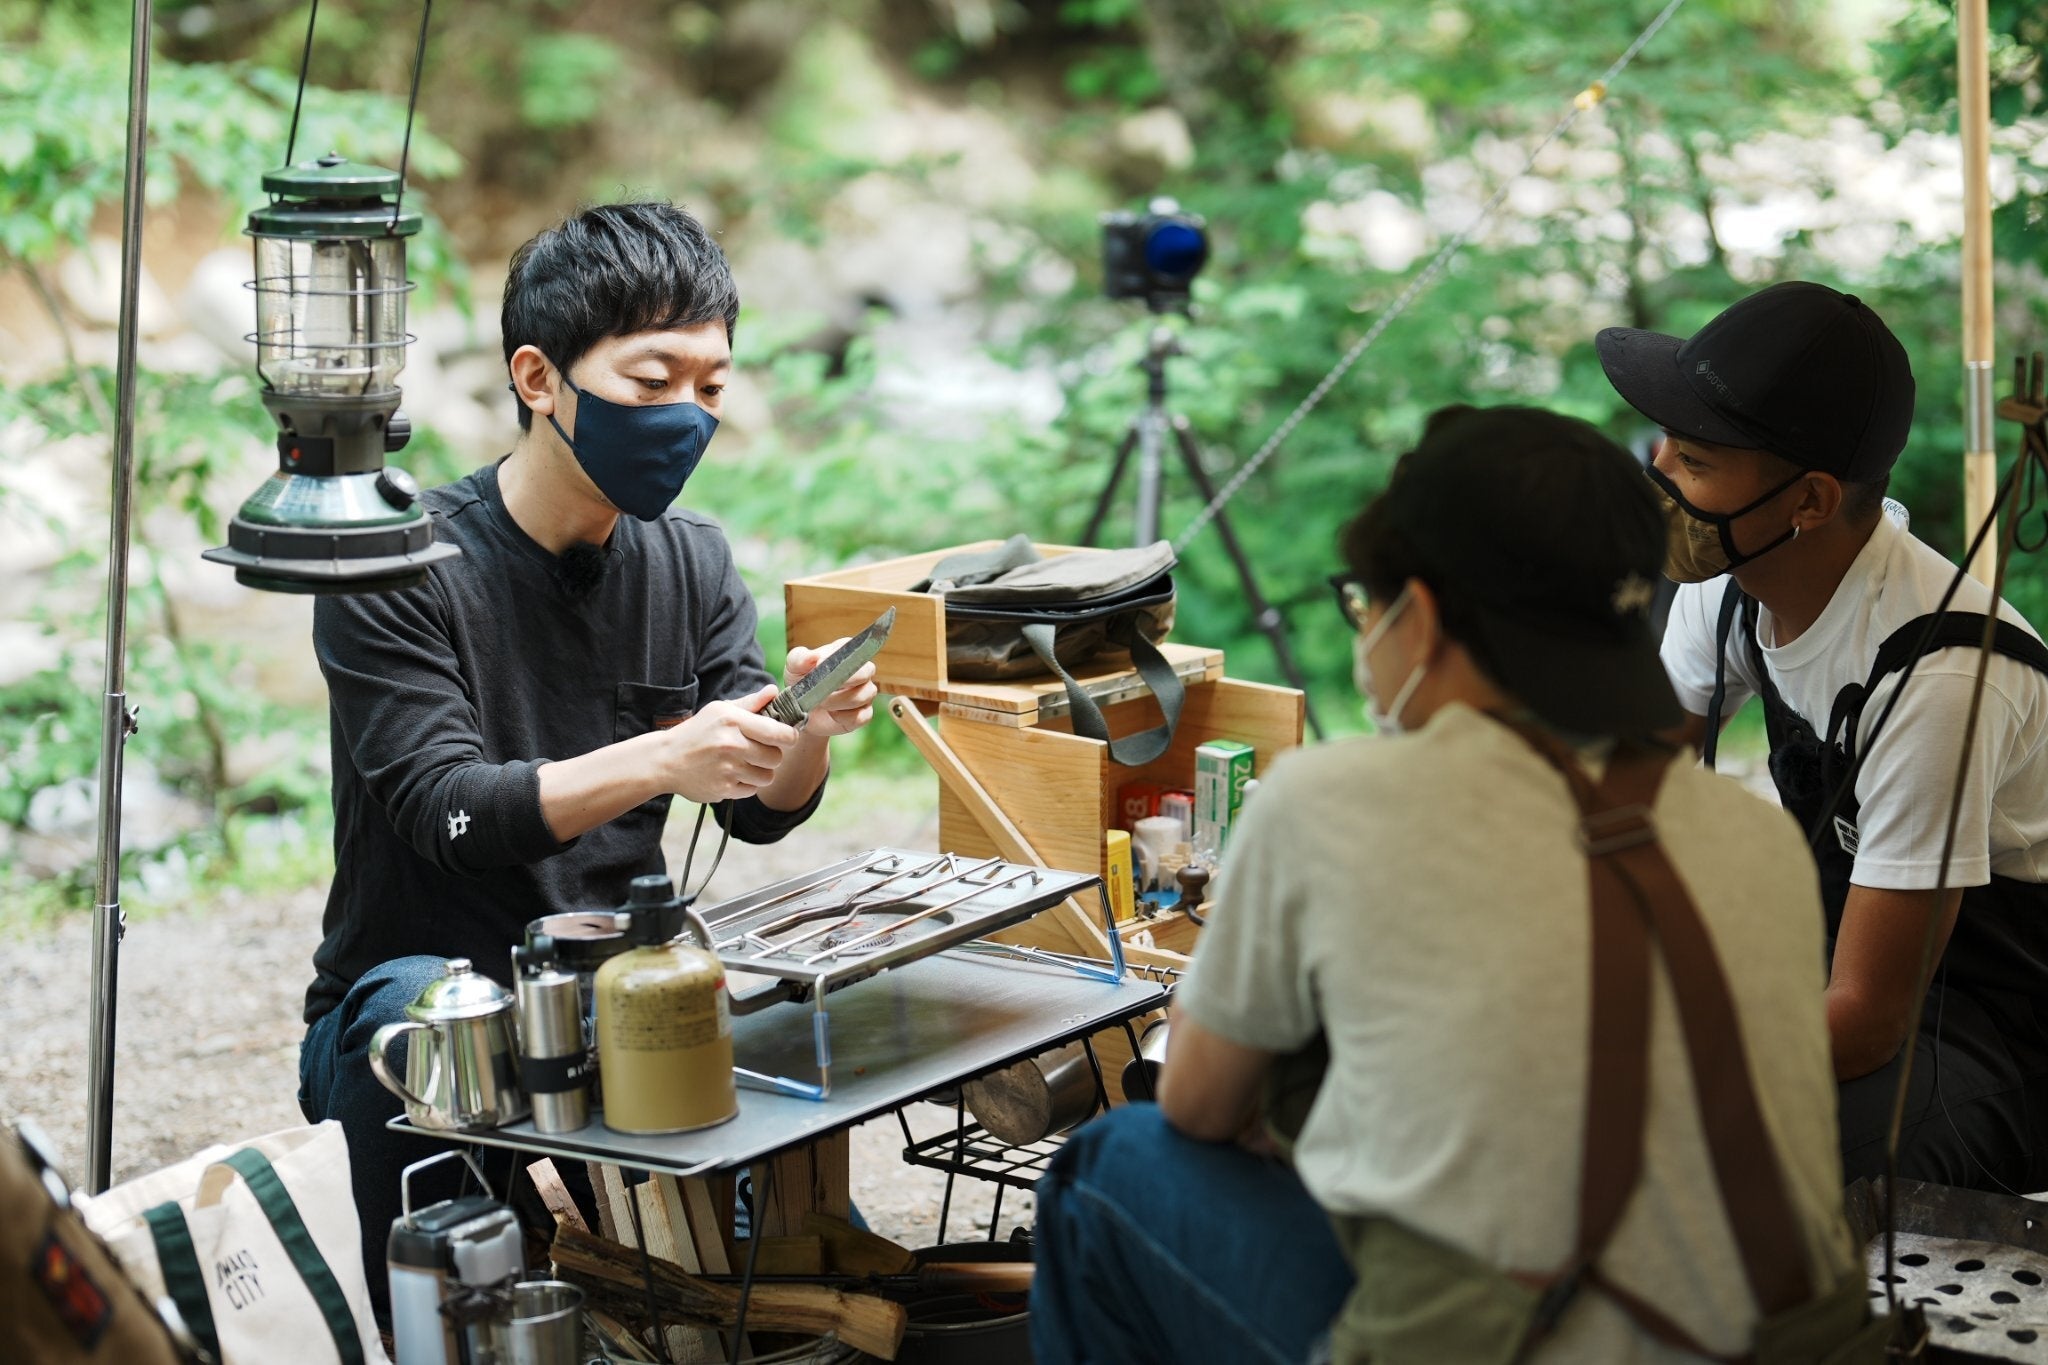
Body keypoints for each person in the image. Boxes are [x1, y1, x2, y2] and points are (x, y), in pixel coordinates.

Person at [1031, 405, 1870, 1364]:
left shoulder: (1329, 801)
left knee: (1109, 1164)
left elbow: (1196, 1107)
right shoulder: (1754, 837)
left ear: (1419, 618)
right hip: (1784, 1340)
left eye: (1365, 601)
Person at [296, 201, 878, 1315]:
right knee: (435, 1027)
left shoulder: (691, 560)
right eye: (652, 381)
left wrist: (805, 728)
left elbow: (759, 811)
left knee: (756, 1230)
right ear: (538, 378)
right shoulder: (394, 565)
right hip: (421, 1005)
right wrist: (661, 758)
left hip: (618, 990)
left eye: (711, 387)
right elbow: (448, 812)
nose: (686, 415)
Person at [1598, 281, 2048, 1193]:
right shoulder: (1729, 583)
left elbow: (1869, 1019)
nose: (1660, 473)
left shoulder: (1941, 674)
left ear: (1807, 500)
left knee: (1724, 1159)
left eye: (1694, 460)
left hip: (1991, 1032)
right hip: (1844, 955)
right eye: (1665, 445)